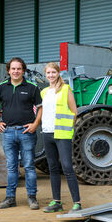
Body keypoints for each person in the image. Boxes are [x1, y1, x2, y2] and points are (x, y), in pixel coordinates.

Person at [0, 57, 42, 210]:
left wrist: (35, 124)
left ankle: (32, 198)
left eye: (19, 69)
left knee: (29, 166)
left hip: (26, 132)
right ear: (8, 70)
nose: (15, 71)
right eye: (13, 69)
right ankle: (10, 198)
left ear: (23, 70)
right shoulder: (1, 88)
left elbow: (40, 108)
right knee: (11, 167)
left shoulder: (32, 87)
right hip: (8, 132)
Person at [41, 62, 81, 213]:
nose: (51, 75)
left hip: (62, 134)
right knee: (53, 168)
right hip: (47, 132)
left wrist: (67, 129)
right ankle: (56, 202)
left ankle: (77, 203)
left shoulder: (65, 89)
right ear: (46, 75)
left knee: (67, 167)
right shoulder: (44, 92)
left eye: (53, 72)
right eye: (48, 73)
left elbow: (74, 111)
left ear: (58, 73)